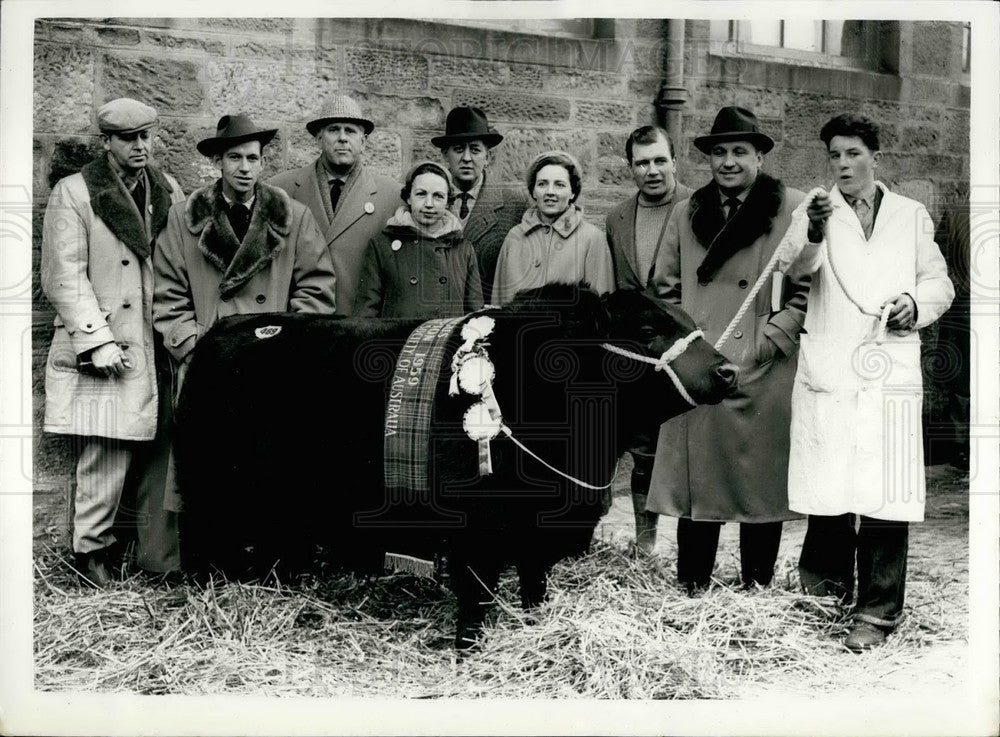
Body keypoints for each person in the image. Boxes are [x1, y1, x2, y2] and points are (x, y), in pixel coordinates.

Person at [791, 113, 954, 651]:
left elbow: (939, 282)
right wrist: (814, 228)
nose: (842, 164)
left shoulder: (910, 215)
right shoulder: (814, 211)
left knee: (886, 497)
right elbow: (794, 272)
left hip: (889, 368)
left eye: (853, 153)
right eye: (834, 154)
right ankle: (823, 600)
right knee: (830, 491)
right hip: (832, 368)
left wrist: (915, 302)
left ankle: (877, 614)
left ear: (874, 156)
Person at [647, 106, 810, 592]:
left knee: (759, 488)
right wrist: (692, 349)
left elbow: (806, 291)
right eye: (719, 152)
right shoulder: (686, 212)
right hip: (702, 371)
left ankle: (756, 592)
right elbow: (665, 291)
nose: (729, 161)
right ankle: (693, 590)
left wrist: (767, 341)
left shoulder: (793, 210)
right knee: (701, 489)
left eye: (740, 151)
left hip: (765, 369)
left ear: (760, 156)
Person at [41, 98, 186, 586]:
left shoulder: (168, 189)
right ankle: (91, 553)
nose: (141, 146)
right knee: (107, 449)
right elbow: (63, 276)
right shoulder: (75, 193)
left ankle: (152, 554)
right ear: (107, 142)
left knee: (161, 448)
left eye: (147, 136)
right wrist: (95, 339)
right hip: (110, 343)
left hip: (157, 341)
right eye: (130, 138)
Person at [153, 112, 336, 380]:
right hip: (208, 359)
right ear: (218, 161)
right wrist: (194, 348)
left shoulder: (295, 217)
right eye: (235, 157)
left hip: (272, 361)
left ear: (263, 163)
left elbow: (316, 290)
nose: (245, 168)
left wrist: (287, 345)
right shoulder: (183, 218)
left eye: (252, 158)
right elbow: (168, 294)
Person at [605, 124, 694, 554]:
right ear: (630, 168)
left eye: (660, 160)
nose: (652, 170)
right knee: (643, 447)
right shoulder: (616, 218)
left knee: (690, 442)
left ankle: (696, 541)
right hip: (642, 353)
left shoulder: (697, 206)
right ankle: (646, 542)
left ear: (674, 161)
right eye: (642, 163)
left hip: (685, 342)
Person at [269, 95, 399, 315]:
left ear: (363, 141)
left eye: (350, 131)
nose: (342, 138)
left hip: (359, 324)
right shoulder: (281, 190)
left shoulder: (392, 195)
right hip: (299, 322)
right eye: (333, 130)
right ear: (319, 138)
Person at [353, 161, 484, 318]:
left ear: (448, 202)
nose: (429, 204)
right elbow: (366, 314)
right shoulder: (382, 245)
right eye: (421, 194)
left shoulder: (463, 249)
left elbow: (474, 316)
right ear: (408, 198)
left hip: (447, 341)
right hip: (397, 341)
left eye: (438, 196)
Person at [492, 150, 615, 305]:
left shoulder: (592, 238)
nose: (550, 192)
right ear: (533, 192)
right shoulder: (514, 237)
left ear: (572, 193)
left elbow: (602, 308)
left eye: (559, 185)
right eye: (542, 184)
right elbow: (498, 305)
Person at [432, 106, 526, 304]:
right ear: (444, 155)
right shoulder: (428, 201)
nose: (466, 158)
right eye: (458, 149)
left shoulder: (515, 205)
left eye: (475, 149)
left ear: (488, 156)